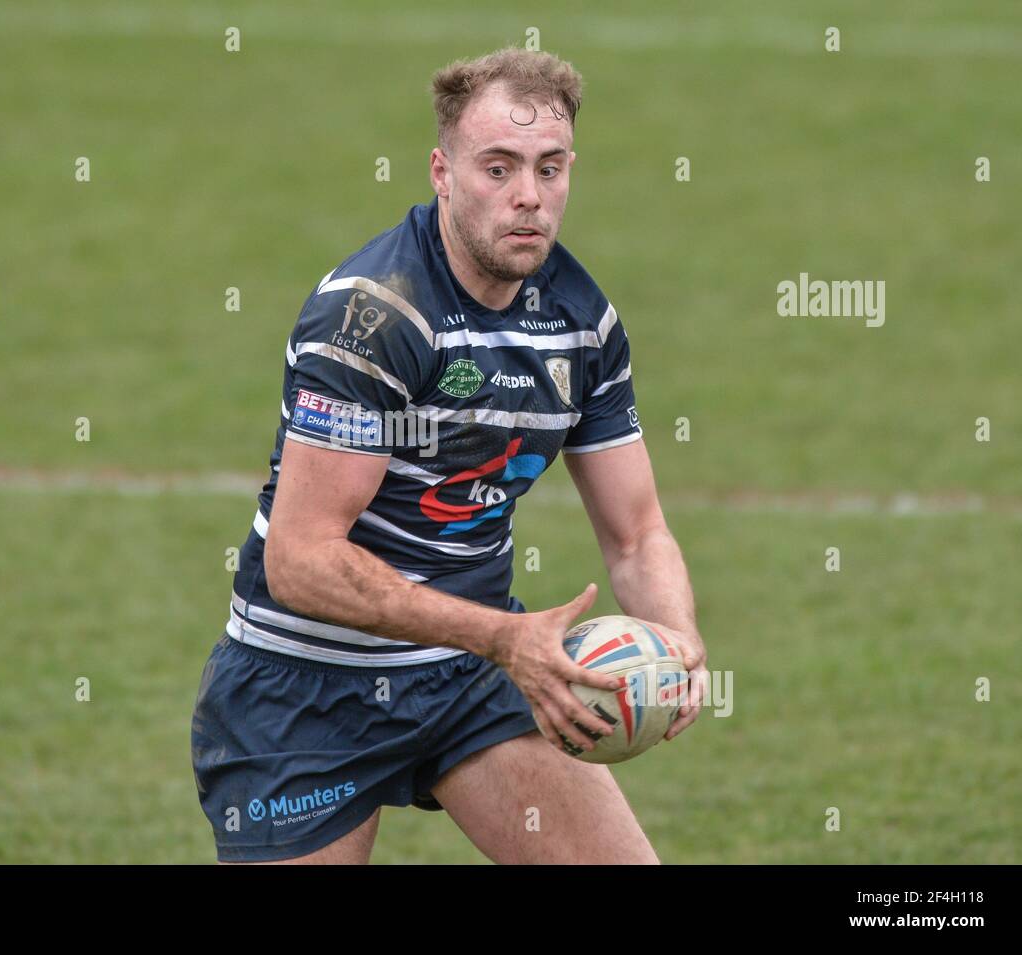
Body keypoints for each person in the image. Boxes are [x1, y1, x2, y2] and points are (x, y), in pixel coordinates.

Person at [191, 46, 707, 864]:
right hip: (304, 690)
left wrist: (678, 638)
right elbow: (300, 560)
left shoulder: (582, 324)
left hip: (466, 677)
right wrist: (503, 637)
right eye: (498, 168)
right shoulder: (372, 319)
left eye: (549, 168)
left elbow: (637, 533)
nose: (528, 195)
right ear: (442, 172)